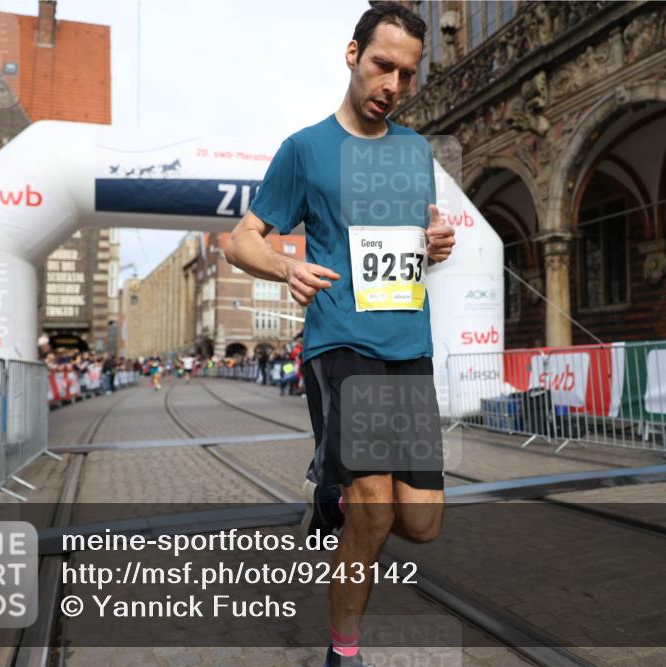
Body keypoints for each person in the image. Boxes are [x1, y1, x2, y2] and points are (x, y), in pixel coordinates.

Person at [225, 4, 455, 665]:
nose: (393, 85)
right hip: (344, 342)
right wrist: (287, 267)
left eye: (406, 74)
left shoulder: (415, 150)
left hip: (410, 345)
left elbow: (413, 241)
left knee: (422, 523)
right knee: (375, 509)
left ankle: (331, 489)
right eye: (383, 65)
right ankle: (343, 650)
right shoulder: (306, 149)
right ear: (353, 55)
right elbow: (240, 240)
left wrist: (435, 243)